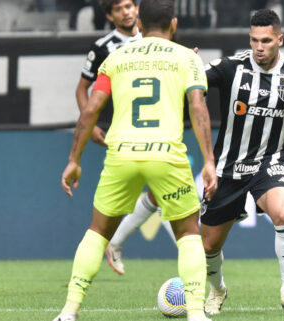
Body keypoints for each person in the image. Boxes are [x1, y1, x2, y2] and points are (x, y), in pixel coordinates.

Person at [52, 0, 218, 319]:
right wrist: (209, 161)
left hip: (122, 153)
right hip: (166, 154)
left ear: (139, 24)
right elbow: (199, 108)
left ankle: (69, 311)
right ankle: (196, 313)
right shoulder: (187, 58)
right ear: (174, 25)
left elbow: (90, 109)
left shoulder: (116, 57)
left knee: (98, 232)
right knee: (188, 234)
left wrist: (74, 159)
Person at [200, 8, 284, 316]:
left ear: (280, 39)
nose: (259, 47)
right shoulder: (231, 67)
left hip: (269, 163)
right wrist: (186, 65)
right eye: (255, 40)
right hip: (227, 167)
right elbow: (193, 83)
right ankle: (217, 290)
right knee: (208, 247)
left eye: (267, 41)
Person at [75, 0, 175, 276]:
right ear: (109, 15)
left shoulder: (156, 37)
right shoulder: (103, 48)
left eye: (130, 6)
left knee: (159, 194)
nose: (127, 12)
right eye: (118, 9)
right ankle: (194, 253)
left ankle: (115, 241)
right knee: (157, 194)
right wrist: (89, 121)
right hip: (120, 132)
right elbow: (82, 89)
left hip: (157, 126)